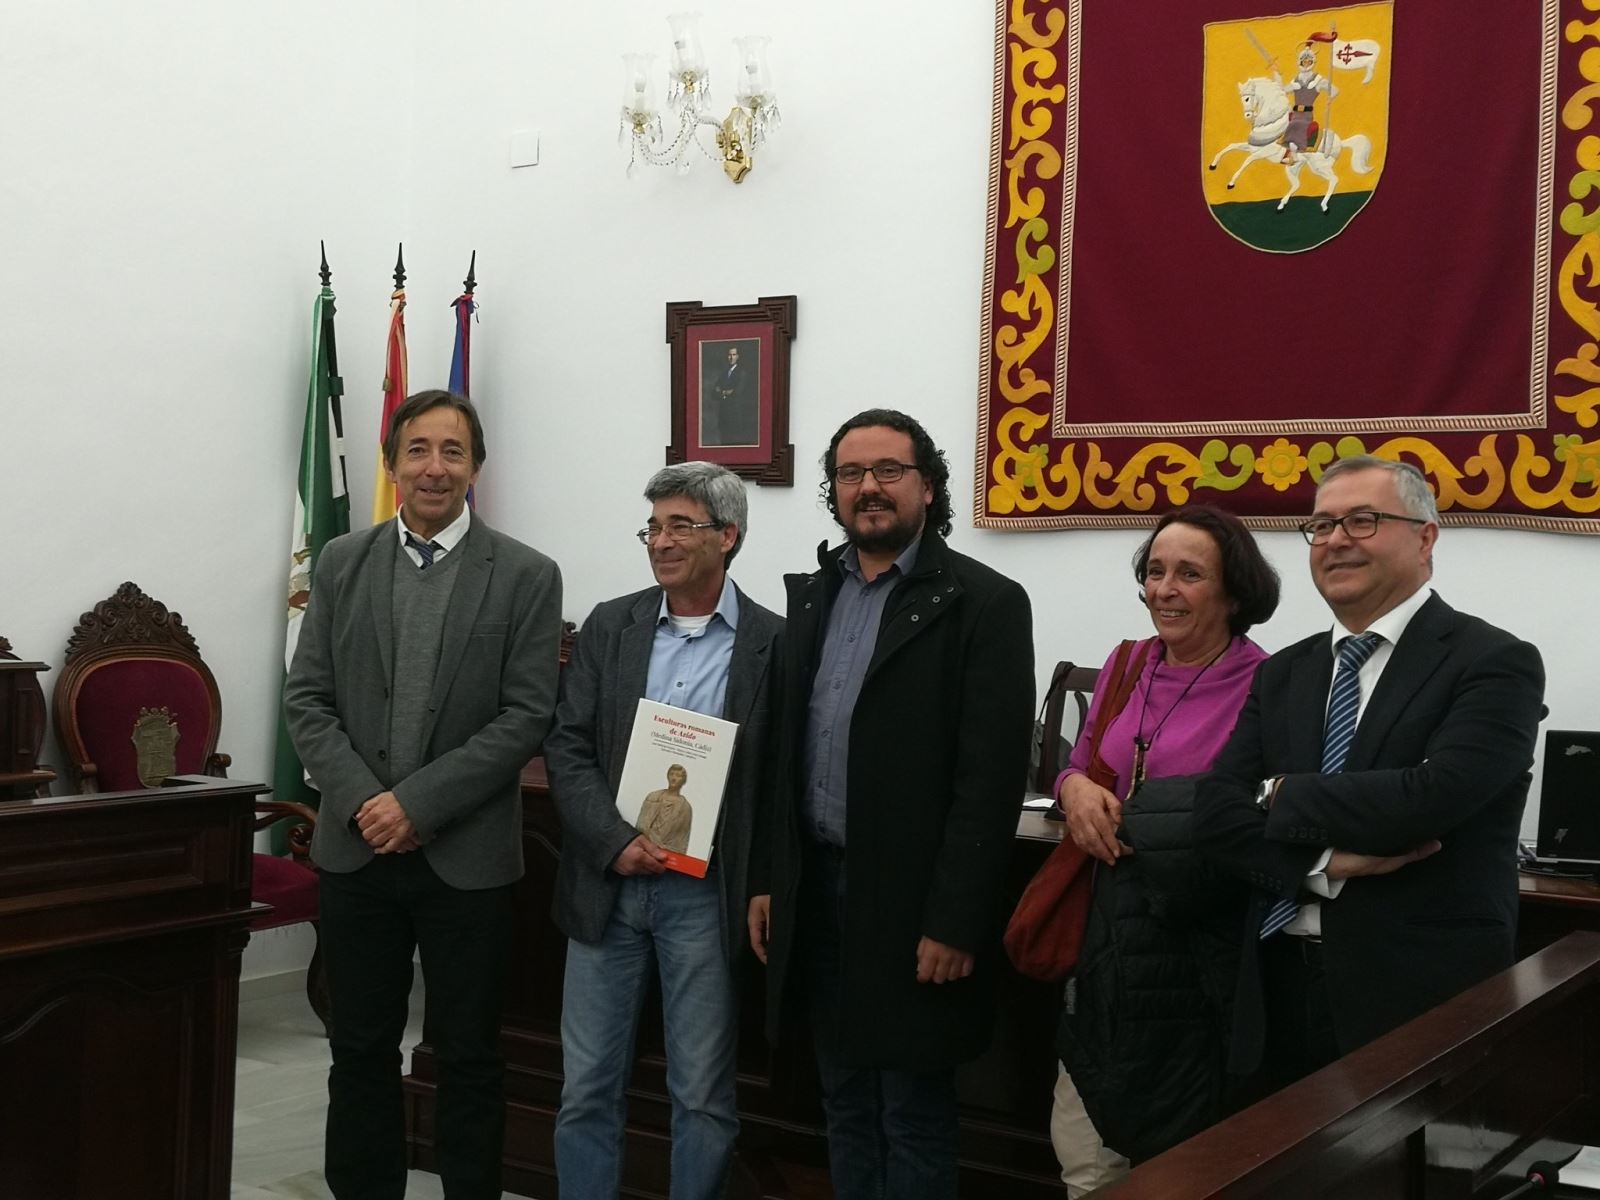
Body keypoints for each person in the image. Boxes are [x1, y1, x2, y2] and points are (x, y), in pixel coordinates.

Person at [284, 389, 564, 1200]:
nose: (433, 467)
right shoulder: (341, 562)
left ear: (476, 466)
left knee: (471, 1056)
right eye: (417, 450)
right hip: (356, 853)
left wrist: (417, 806)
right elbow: (308, 699)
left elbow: (526, 716)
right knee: (359, 1050)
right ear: (391, 464)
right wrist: (370, 802)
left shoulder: (525, 575)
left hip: (467, 860)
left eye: (452, 451)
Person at [748, 409, 1034, 1200]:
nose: (867, 488)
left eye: (887, 471)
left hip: (913, 908)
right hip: (820, 893)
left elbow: (990, 782)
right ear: (833, 491)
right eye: (849, 474)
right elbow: (783, 757)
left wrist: (954, 921)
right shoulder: (812, 596)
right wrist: (774, 879)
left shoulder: (984, 602)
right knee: (840, 1099)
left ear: (927, 486)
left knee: (910, 1110)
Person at [1194, 456, 1545, 1098]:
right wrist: (1320, 865)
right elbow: (1216, 813)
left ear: (1425, 536)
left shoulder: (1494, 662)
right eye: (1322, 525)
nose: (1336, 540)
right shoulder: (1283, 674)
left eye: (1363, 520)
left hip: (1414, 1000)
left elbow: (1430, 799)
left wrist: (1277, 791)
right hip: (1275, 991)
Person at [546, 461, 782, 1200]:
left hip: (703, 897)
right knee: (586, 1085)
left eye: (682, 525)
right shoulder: (611, 624)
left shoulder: (774, 643)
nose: (661, 541)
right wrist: (614, 841)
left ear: (729, 535)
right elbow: (567, 746)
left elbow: (776, 778)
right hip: (607, 885)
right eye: (653, 526)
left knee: (704, 1095)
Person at [1050, 505, 1280, 1192]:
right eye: (1155, 572)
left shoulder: (1269, 683)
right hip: (1105, 944)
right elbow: (1083, 762)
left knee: (1182, 1163)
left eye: (1189, 574)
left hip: (1197, 960)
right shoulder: (1126, 663)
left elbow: (1261, 814)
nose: (1164, 590)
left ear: (1234, 591)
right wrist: (1073, 790)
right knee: (1084, 1155)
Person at [703, 344, 757, 447]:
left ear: (738, 356)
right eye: (729, 355)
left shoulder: (742, 373)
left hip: (736, 416)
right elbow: (713, 394)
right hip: (723, 415)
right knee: (724, 442)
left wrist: (721, 391)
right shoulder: (723, 373)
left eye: (734, 354)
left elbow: (737, 392)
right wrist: (726, 392)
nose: (731, 357)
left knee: (734, 444)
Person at [637, 763, 694, 855]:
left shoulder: (685, 808)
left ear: (683, 780)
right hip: (645, 848)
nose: (674, 778)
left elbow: (682, 839)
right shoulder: (653, 797)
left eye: (678, 775)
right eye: (672, 774)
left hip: (669, 853)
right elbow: (641, 825)